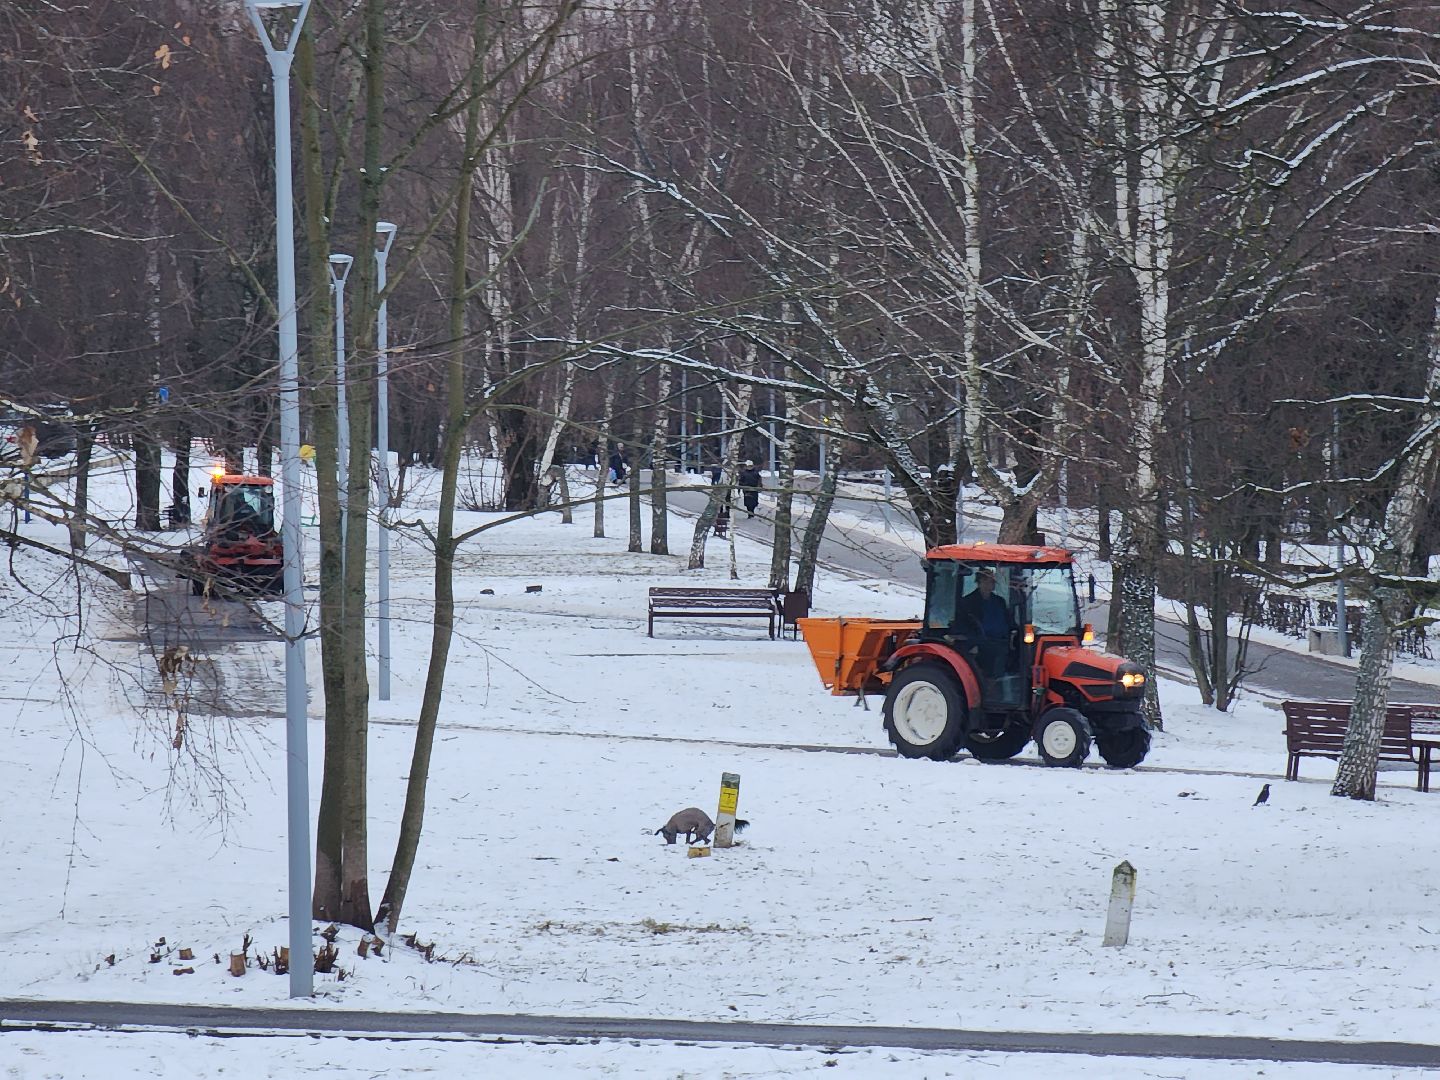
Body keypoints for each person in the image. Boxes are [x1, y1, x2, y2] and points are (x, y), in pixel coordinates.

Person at [955, 569, 1014, 678]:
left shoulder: (999, 601)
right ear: (979, 582)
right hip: (980, 644)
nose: (990, 584)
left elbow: (1008, 622)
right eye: (987, 580)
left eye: (992, 581)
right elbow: (963, 626)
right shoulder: (968, 602)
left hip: (1001, 642)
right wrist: (974, 642)